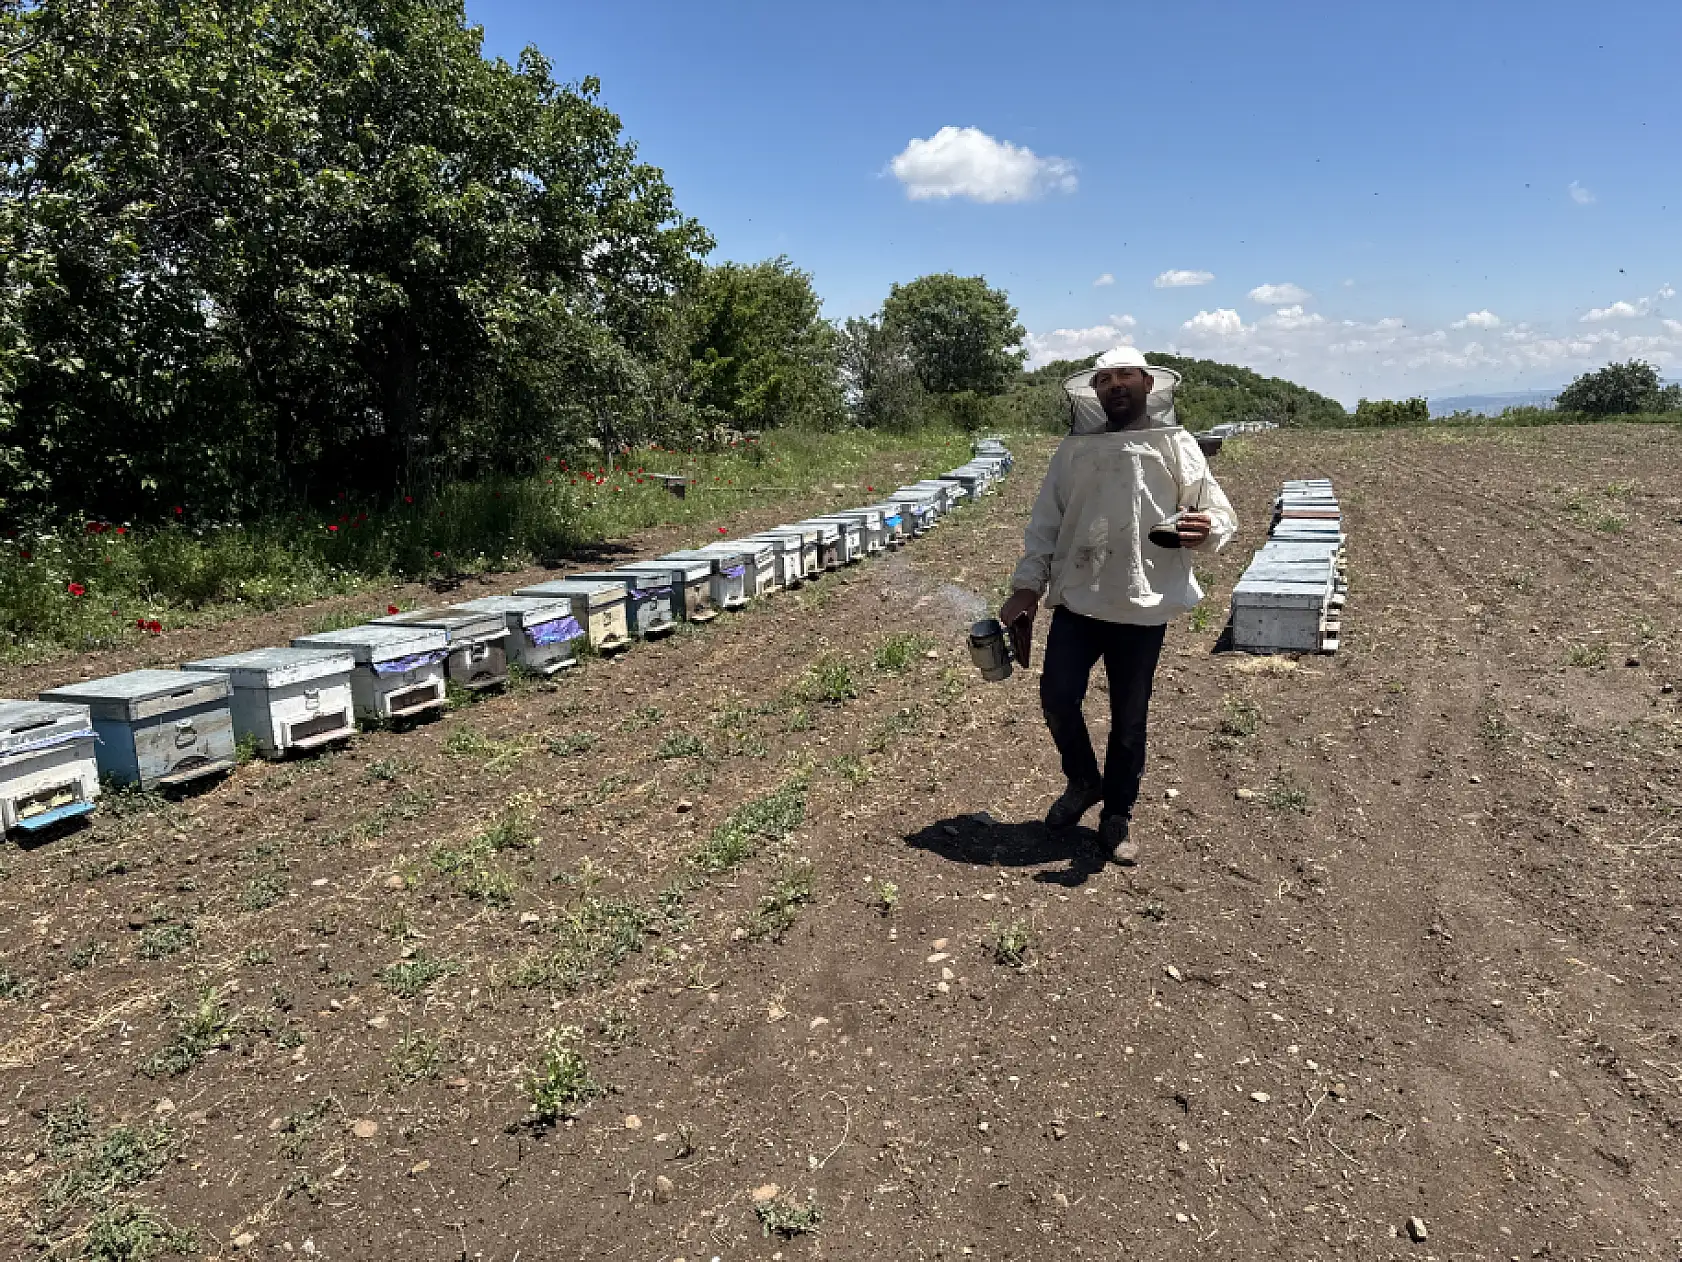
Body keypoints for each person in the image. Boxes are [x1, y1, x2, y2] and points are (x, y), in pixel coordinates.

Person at [999, 346, 1238, 865]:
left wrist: (1208, 529)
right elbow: (1045, 524)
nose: (1115, 385)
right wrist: (1026, 588)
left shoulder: (1175, 443)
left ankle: (1117, 815)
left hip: (1142, 603)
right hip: (1079, 597)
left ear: (1148, 383)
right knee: (1057, 697)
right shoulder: (1073, 451)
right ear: (1095, 391)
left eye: (1125, 375)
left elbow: (1219, 512)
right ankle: (1083, 781)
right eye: (1105, 379)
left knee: (1129, 719)